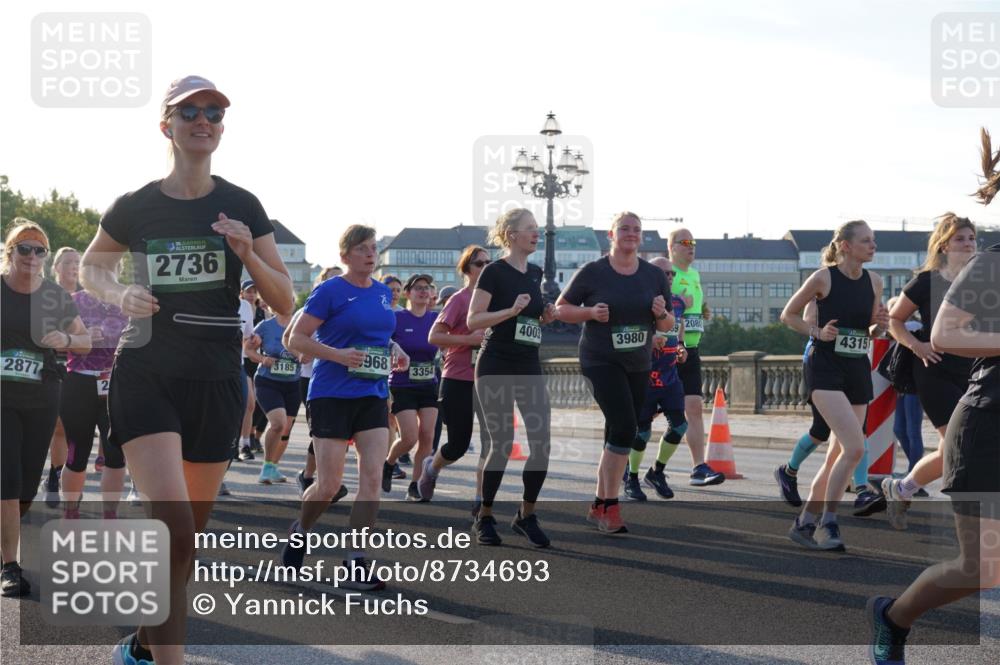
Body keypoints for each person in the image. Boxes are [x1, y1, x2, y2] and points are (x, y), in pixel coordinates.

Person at [81, 75, 294, 665]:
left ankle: (144, 647)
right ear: (166, 125)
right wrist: (119, 294)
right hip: (147, 369)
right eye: (190, 112)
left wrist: (249, 253)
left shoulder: (244, 205)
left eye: (214, 113)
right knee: (171, 529)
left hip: (217, 377)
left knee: (185, 540)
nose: (204, 121)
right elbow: (91, 270)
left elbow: (285, 302)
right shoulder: (135, 205)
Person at [867, 128, 1000, 664]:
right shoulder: (992, 262)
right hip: (990, 422)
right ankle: (892, 617)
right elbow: (946, 333)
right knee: (981, 568)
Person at [282, 225, 408, 589]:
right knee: (328, 485)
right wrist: (337, 355)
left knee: (371, 481)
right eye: (362, 248)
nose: (371, 254)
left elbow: (381, 337)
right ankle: (301, 530)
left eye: (374, 248)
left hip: (371, 394)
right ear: (345, 256)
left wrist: (394, 350)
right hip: (331, 394)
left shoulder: (384, 293)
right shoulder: (330, 290)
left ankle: (356, 561)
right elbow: (296, 339)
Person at [556, 212, 673, 534]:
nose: (631, 234)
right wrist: (589, 312)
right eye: (625, 229)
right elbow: (559, 309)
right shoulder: (594, 272)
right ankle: (610, 506)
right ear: (612, 234)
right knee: (624, 428)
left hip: (637, 362)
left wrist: (660, 314)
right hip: (599, 359)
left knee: (619, 431)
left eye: (636, 230)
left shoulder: (653, 275)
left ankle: (598, 504)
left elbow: (668, 324)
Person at [780, 220, 888, 552]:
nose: (873, 246)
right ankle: (829, 522)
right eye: (866, 241)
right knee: (854, 448)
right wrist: (816, 332)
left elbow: (873, 332)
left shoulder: (875, 281)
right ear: (845, 246)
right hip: (824, 366)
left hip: (856, 367)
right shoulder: (824, 277)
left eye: (873, 241)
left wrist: (880, 327)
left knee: (838, 457)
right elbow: (788, 315)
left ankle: (804, 523)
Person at [1, 221, 90, 597]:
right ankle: (9, 565)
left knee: (24, 488)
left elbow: (84, 341)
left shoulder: (55, 296)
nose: (32, 257)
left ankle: (6, 540)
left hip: (41, 397)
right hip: (2, 398)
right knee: (5, 478)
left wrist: (66, 338)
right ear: (9, 252)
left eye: (40, 251)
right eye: (25, 249)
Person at [468, 208, 557, 547]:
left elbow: (530, 322)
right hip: (495, 364)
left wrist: (544, 316)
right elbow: (473, 321)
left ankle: (525, 514)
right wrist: (510, 311)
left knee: (542, 444)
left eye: (537, 229)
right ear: (511, 234)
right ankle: (485, 515)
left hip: (528, 364)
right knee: (502, 443)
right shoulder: (494, 272)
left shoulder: (535, 272)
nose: (536, 234)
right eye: (530, 229)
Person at [882, 214, 978, 530]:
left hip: (972, 370)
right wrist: (916, 346)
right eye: (960, 239)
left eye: (972, 238)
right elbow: (894, 321)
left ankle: (901, 488)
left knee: (950, 447)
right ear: (944, 245)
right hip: (933, 367)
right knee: (959, 443)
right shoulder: (926, 282)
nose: (968, 244)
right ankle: (971, 519)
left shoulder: (982, 280)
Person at [418, 247, 490, 502]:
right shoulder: (460, 299)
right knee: (458, 445)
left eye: (488, 263)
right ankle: (432, 468)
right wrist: (468, 339)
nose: (485, 267)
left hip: (490, 378)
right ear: (466, 269)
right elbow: (435, 336)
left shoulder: (498, 299)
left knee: (492, 444)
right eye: (479, 263)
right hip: (459, 377)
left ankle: (482, 501)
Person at [59, 265, 130, 518]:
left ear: (118, 271)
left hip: (116, 384)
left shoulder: (129, 303)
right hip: (79, 383)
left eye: (110, 268)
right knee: (77, 453)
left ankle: (110, 517)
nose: (104, 275)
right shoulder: (73, 301)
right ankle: (70, 514)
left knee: (115, 455)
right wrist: (81, 337)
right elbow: (52, 339)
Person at [622, 256, 687, 501]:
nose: (669, 277)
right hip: (644, 378)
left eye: (671, 274)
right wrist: (647, 342)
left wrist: (680, 346)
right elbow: (624, 334)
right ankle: (632, 477)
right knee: (642, 434)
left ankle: (657, 472)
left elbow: (678, 326)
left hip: (670, 377)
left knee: (680, 426)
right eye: (664, 273)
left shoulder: (677, 302)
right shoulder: (637, 300)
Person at [668, 228, 726, 486]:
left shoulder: (694, 274)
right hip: (667, 351)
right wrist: (677, 300)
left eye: (693, 243)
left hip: (691, 350)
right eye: (685, 243)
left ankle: (698, 467)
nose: (691, 247)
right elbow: (655, 306)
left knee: (694, 407)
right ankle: (627, 464)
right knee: (648, 413)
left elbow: (692, 306)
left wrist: (701, 311)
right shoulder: (666, 273)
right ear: (672, 247)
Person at [380, 274, 440, 501]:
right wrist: (394, 349)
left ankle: (415, 485)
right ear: (408, 293)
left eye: (427, 288)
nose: (423, 291)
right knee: (410, 438)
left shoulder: (436, 318)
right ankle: (389, 462)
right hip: (402, 384)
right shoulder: (398, 318)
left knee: (427, 436)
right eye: (418, 288)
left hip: (428, 384)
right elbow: (382, 339)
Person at [292, 266, 343, 495]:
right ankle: (318, 479)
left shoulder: (350, 308)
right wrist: (302, 355)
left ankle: (319, 479)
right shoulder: (308, 310)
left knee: (337, 434)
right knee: (321, 433)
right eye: (333, 279)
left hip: (345, 379)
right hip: (313, 379)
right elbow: (289, 339)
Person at [41, 246, 81, 506]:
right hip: (48, 364)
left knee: (69, 427)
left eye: (77, 262)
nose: (74, 266)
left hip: (79, 365)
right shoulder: (44, 295)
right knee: (56, 425)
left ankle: (62, 474)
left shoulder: (88, 297)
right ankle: (55, 473)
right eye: (68, 262)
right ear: (56, 267)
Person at [246, 304, 301, 484]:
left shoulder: (301, 324)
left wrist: (304, 355)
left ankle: (274, 467)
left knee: (285, 429)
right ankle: (267, 467)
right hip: (267, 381)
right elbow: (248, 349)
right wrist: (263, 359)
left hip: (293, 383)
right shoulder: (265, 326)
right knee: (278, 423)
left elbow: (308, 354)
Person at [887, 296, 925, 476]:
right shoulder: (906, 329)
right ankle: (917, 470)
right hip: (903, 386)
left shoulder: (913, 328)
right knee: (900, 429)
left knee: (912, 430)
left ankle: (915, 474)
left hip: (914, 386)